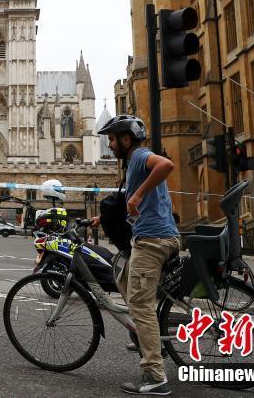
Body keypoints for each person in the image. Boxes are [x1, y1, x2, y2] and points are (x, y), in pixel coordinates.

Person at [92, 114, 178, 396]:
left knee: (141, 306)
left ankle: (155, 377)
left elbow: (166, 164)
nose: (109, 145)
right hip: (154, 236)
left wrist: (138, 195)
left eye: (112, 139)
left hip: (152, 242)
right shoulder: (134, 164)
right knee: (122, 277)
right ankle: (148, 334)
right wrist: (98, 218)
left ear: (126, 139)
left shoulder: (141, 156)